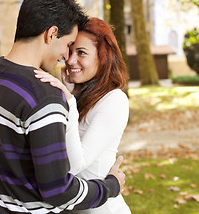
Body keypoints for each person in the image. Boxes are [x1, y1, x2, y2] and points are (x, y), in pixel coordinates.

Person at [0, 0, 125, 213]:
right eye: (68, 45)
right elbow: (59, 192)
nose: (66, 57)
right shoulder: (45, 98)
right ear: (51, 34)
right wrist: (111, 186)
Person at [34, 17, 131, 214]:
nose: (70, 60)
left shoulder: (114, 100)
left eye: (81, 53)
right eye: (70, 50)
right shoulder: (75, 96)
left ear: (103, 57)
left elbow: (75, 165)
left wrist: (68, 100)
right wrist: (67, 96)